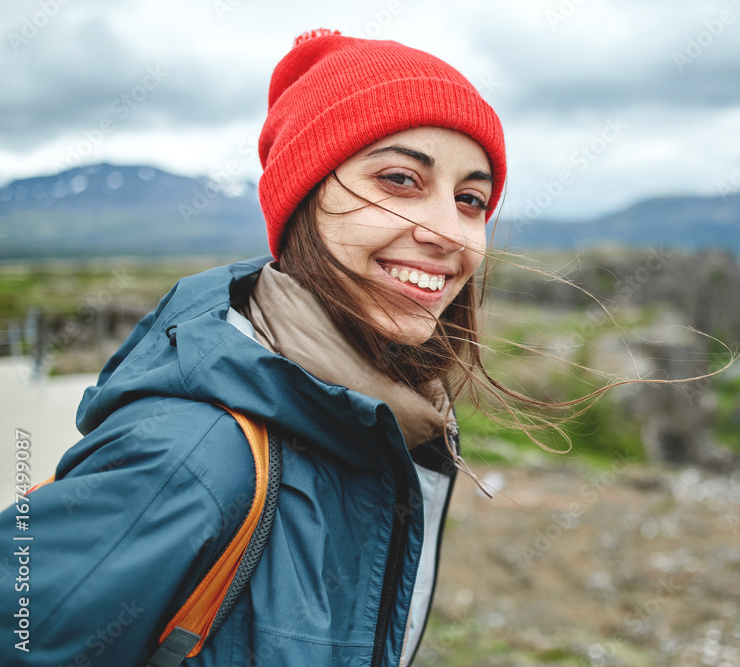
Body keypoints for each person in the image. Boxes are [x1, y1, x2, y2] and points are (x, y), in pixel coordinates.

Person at [0, 28, 506, 666]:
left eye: (470, 200)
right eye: (400, 179)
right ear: (303, 203)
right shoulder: (192, 457)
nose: (446, 232)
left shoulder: (373, 425)